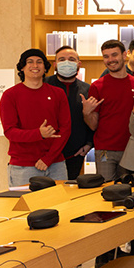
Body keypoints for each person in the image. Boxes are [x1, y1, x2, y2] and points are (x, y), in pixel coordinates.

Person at [1, 48, 70, 186]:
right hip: (23, 167)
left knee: (60, 206)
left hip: (56, 165)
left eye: (39, 62)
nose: (35, 66)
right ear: (22, 68)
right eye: (29, 62)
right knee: (25, 207)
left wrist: (48, 158)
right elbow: (10, 132)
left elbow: (65, 129)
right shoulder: (10, 95)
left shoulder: (58, 94)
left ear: (45, 68)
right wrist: (38, 134)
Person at [82, 40, 134, 182]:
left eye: (114, 55)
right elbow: (93, 125)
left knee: (130, 191)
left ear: (124, 55)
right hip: (105, 150)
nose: (111, 60)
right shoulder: (97, 86)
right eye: (106, 56)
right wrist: (86, 112)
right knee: (107, 192)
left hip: (132, 148)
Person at [45, 46, 93, 180]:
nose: (66, 62)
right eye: (62, 59)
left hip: (75, 154)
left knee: (69, 195)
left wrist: (89, 143)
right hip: (46, 154)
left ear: (79, 64)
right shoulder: (44, 85)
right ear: (55, 65)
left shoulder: (87, 89)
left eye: (71, 59)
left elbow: (94, 119)